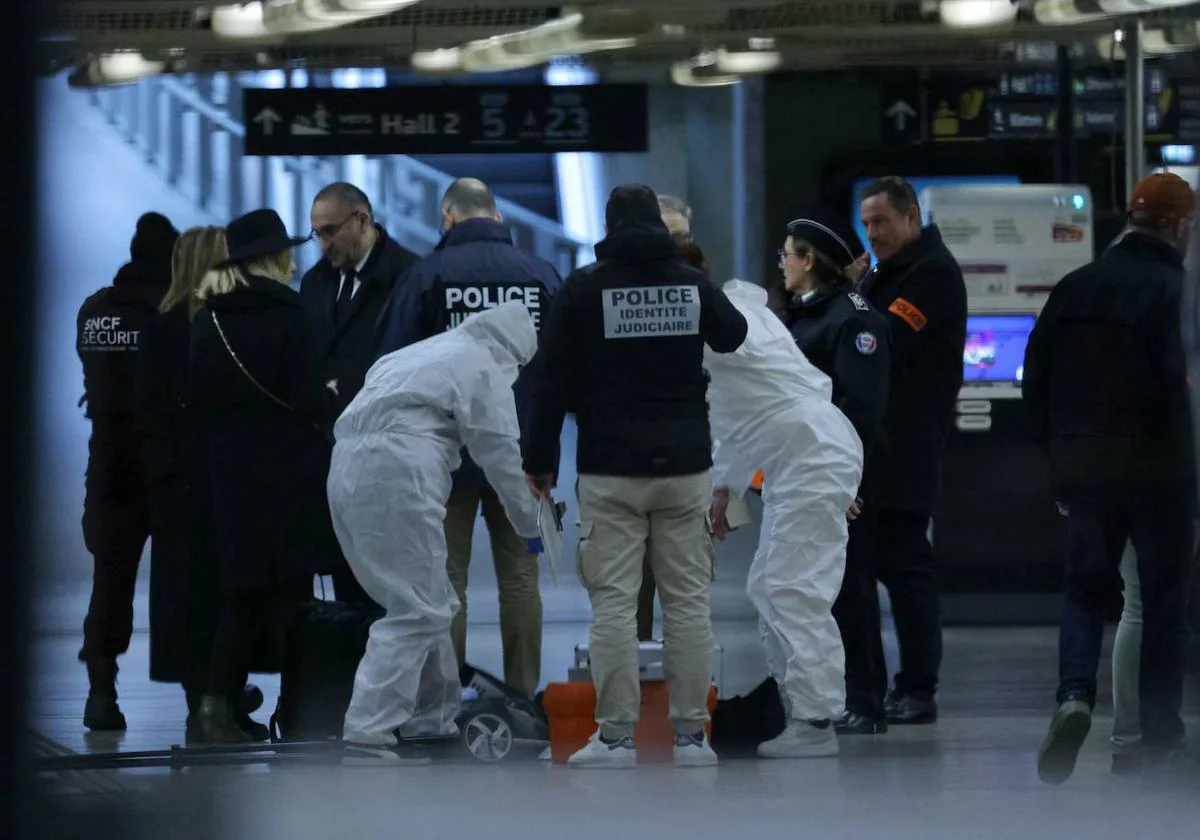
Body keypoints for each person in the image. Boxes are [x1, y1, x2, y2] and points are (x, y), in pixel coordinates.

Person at [524, 184, 748, 769]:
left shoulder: (584, 287)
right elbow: (734, 335)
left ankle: (617, 738)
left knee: (615, 608)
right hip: (684, 466)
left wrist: (539, 462)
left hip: (610, 468)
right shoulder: (691, 284)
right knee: (688, 604)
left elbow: (549, 381)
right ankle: (693, 738)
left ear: (609, 224)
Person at [1024, 172, 1196, 784]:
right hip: (1160, 470)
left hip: (1084, 468)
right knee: (1160, 604)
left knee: (1085, 591)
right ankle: (1156, 739)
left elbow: (1034, 380)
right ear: (1178, 226)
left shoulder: (1075, 287)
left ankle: (1073, 696)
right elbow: (1183, 389)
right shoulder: (1178, 291)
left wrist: (1058, 463)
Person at [329, 301, 542, 766]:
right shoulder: (485, 366)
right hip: (399, 470)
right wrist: (532, 527)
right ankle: (368, 731)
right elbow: (503, 462)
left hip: (344, 469)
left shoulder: (418, 353)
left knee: (428, 600)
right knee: (419, 608)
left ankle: (433, 721)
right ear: (516, 354)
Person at [374, 177, 561, 699]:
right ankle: (524, 696)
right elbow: (558, 371)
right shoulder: (539, 274)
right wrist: (548, 457)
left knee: (448, 581)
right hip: (522, 458)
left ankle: (448, 699)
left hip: (445, 456)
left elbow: (392, 364)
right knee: (521, 582)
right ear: (497, 218)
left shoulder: (426, 275)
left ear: (448, 217)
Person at [189, 208, 343, 743]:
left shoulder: (206, 319)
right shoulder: (292, 313)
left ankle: (214, 708)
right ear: (276, 258)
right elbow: (306, 397)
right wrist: (326, 398)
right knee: (296, 595)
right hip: (290, 469)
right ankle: (300, 710)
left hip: (230, 470)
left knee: (242, 594)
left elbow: (199, 398)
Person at [707, 273, 863, 758]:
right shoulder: (761, 329)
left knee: (794, 591)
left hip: (811, 458)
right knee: (771, 587)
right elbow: (740, 425)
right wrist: (724, 491)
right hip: (806, 457)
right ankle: (801, 709)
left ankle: (815, 720)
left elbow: (730, 425)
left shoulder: (734, 341)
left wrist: (722, 491)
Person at [136, 226, 267, 741]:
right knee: (230, 596)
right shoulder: (226, 324)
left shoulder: (161, 328)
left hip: (180, 489)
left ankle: (209, 706)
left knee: (190, 600)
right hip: (225, 482)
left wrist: (165, 474)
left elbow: (147, 414)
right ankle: (221, 703)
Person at [857, 176, 967, 725]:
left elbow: (881, 341)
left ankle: (918, 686)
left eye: (880, 221)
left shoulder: (932, 274)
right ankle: (874, 688)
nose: (871, 233)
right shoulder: (887, 273)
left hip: (908, 447)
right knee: (874, 567)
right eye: (866, 223)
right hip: (876, 449)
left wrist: (850, 296)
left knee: (906, 569)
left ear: (910, 218)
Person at [780, 213, 892, 735]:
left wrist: (845, 485)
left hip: (840, 476)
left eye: (788, 254)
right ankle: (833, 691)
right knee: (817, 586)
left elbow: (858, 410)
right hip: (807, 471)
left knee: (850, 586)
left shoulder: (852, 319)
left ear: (808, 262)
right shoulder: (808, 315)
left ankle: (866, 699)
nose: (781, 263)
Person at [76, 211, 179, 731]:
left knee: (109, 580)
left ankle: (100, 691)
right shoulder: (166, 311)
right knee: (182, 577)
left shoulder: (94, 309)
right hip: (159, 463)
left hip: (106, 465)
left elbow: (97, 382)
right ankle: (204, 693)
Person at [299, 182, 419, 606]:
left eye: (330, 230)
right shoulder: (315, 284)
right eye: (316, 233)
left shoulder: (410, 279)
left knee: (390, 589)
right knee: (345, 580)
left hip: (389, 458)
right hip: (332, 458)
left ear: (362, 220)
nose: (323, 243)